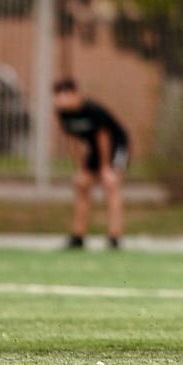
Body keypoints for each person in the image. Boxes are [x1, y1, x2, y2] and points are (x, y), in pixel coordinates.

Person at [55, 78, 130, 250]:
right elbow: (74, 141)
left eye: (64, 96)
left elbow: (104, 138)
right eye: (57, 97)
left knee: (111, 185)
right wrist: (81, 169)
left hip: (115, 145)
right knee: (82, 185)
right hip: (95, 149)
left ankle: (114, 238)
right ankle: (78, 236)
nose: (59, 101)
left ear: (74, 93)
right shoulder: (63, 113)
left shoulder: (92, 110)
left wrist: (105, 168)